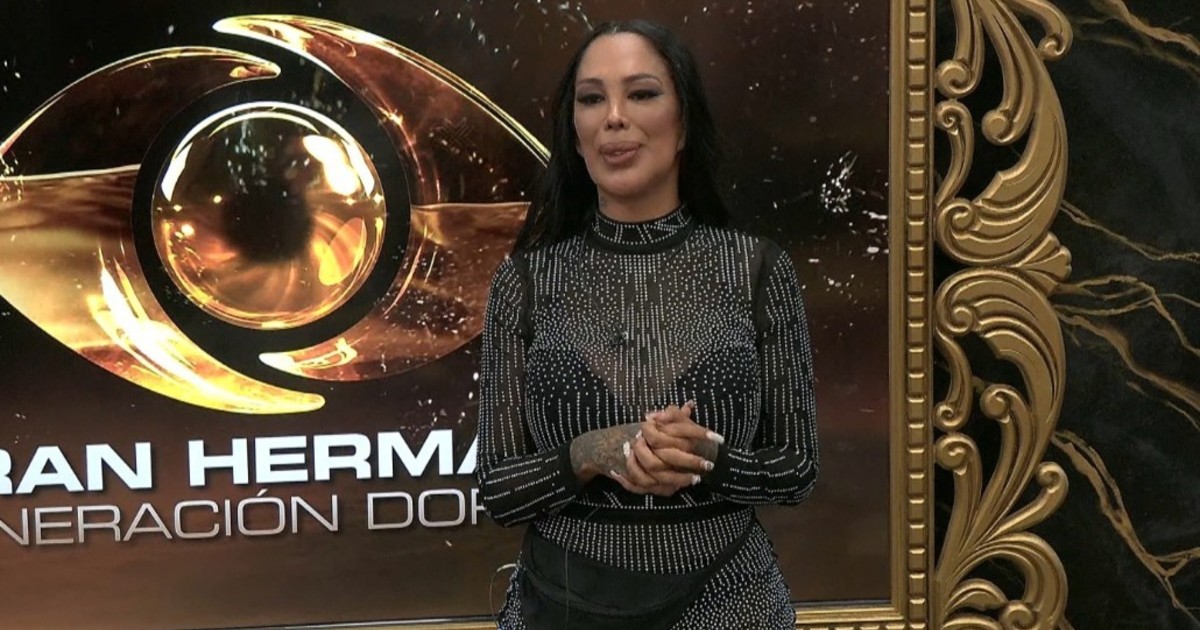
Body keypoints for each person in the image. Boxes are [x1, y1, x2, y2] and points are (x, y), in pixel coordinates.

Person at [475, 18, 818, 630]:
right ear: (575, 135)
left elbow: (796, 468)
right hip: (563, 604)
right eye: (592, 99)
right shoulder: (524, 282)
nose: (614, 117)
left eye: (641, 93)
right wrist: (589, 452)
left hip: (729, 602)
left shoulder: (757, 270)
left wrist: (706, 457)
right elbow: (499, 490)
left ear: (683, 123)